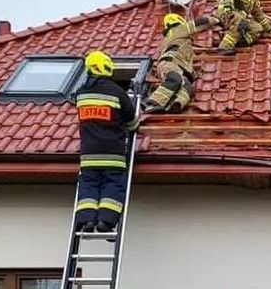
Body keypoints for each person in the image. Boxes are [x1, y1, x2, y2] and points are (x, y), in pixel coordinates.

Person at [72, 50, 138, 234]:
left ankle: (87, 223)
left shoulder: (81, 95)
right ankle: (106, 222)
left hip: (89, 155)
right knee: (112, 185)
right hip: (113, 153)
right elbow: (132, 120)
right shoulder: (117, 92)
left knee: (88, 187)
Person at [143, 12, 219, 113]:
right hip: (170, 63)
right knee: (175, 79)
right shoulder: (179, 29)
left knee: (188, 87)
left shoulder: (172, 37)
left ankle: (175, 105)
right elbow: (201, 23)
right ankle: (153, 103)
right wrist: (218, 19)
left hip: (173, 66)